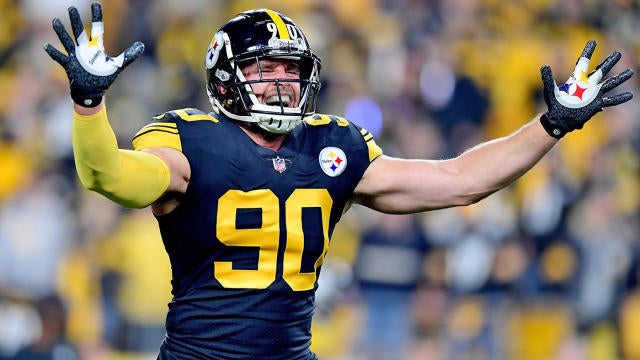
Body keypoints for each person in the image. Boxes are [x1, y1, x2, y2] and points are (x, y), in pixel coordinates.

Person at [43, 2, 634, 359]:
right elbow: (108, 175)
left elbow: (459, 180)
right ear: (225, 76)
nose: (279, 81)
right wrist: (89, 104)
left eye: (290, 70)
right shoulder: (187, 138)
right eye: (263, 68)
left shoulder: (333, 144)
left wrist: (549, 124)